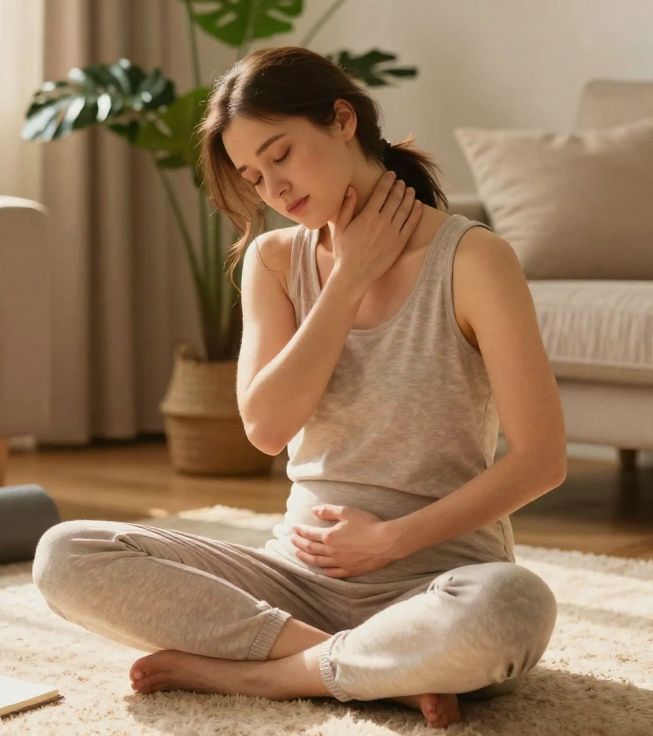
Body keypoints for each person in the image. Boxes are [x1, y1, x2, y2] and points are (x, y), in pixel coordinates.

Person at [33, 46, 566, 729]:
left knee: (514, 607)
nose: (274, 189)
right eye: (255, 176)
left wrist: (388, 543)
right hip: (293, 584)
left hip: (439, 583)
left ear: (342, 120)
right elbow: (266, 427)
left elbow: (542, 458)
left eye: (280, 154)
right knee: (65, 555)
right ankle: (356, 668)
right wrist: (346, 282)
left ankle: (269, 676)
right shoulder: (276, 261)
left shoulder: (473, 260)